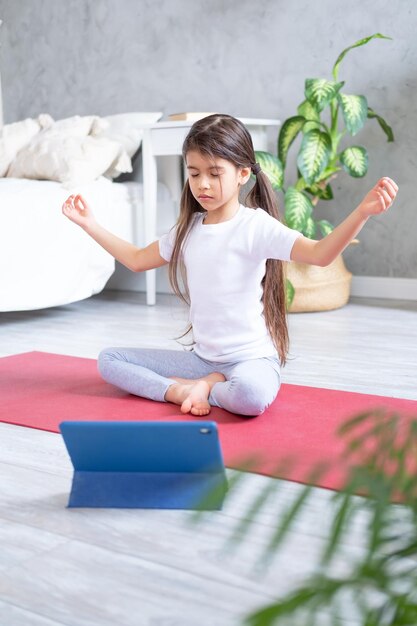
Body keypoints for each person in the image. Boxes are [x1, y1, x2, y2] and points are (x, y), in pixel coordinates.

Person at [62, 114, 398, 418]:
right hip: (201, 360)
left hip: (251, 361)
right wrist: (89, 224)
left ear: (242, 174)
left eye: (214, 173)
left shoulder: (256, 226)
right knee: (110, 360)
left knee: (251, 397)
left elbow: (321, 254)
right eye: (194, 174)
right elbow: (136, 260)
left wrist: (362, 213)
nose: (202, 184)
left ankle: (208, 386)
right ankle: (180, 390)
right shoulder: (188, 229)